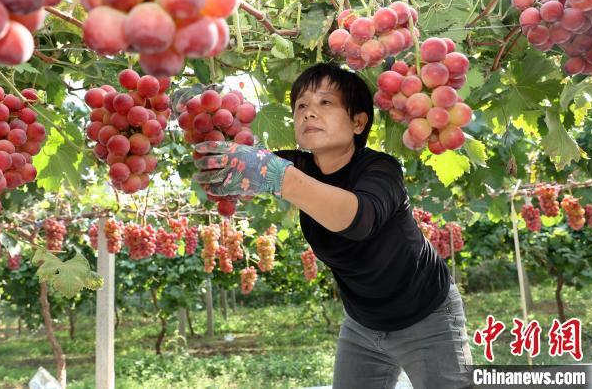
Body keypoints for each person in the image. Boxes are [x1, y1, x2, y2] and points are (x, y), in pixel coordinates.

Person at [194, 62, 473, 389]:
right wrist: (202, 115)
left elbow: (358, 221)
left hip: (428, 317)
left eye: (325, 102)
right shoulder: (297, 166)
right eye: (301, 106)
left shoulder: (380, 170)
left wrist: (278, 177)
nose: (309, 113)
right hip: (363, 325)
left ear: (358, 122)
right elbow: (228, 162)